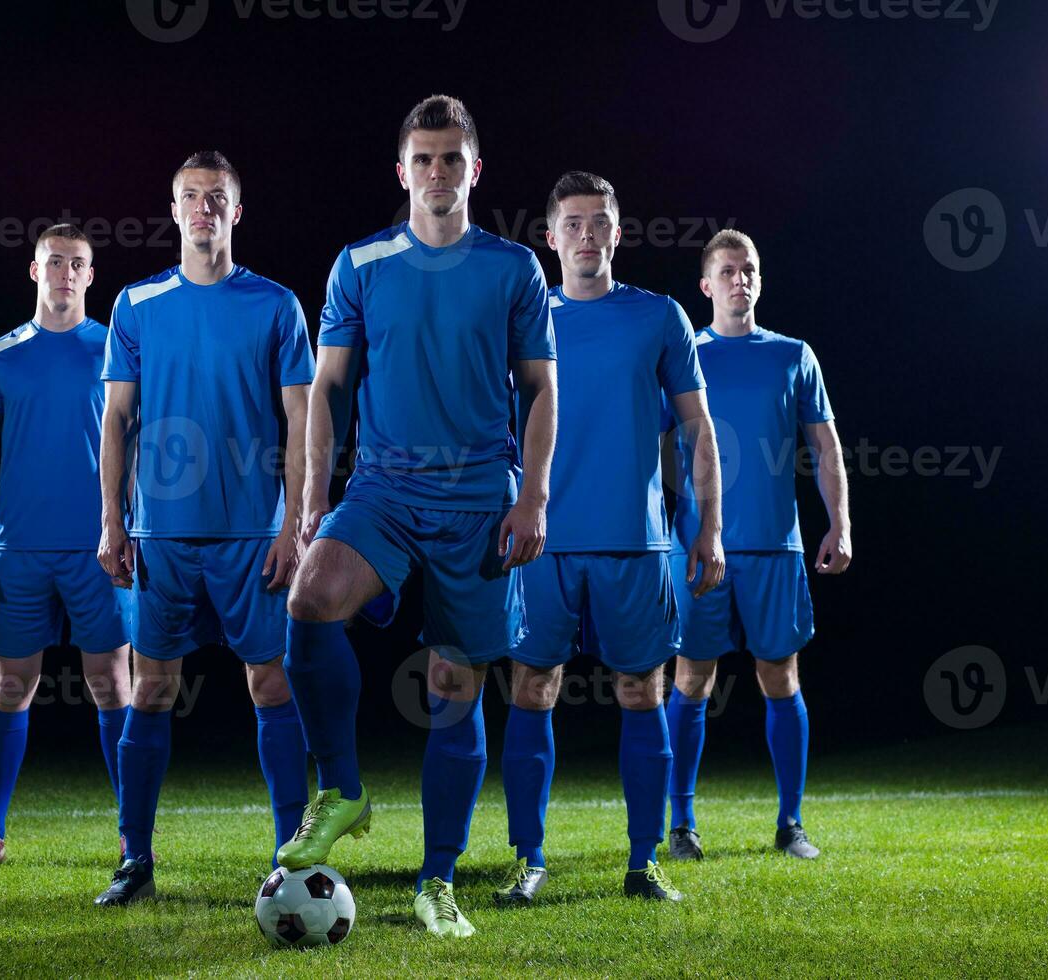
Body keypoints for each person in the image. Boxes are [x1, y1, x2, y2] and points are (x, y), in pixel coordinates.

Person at [277, 95, 558, 937]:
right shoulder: (359, 263)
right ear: (401, 172)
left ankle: (437, 880)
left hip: (478, 498)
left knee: (451, 687)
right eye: (423, 159)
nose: (437, 173)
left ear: (475, 170)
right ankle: (343, 789)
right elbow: (326, 388)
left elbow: (542, 391)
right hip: (384, 491)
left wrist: (532, 495)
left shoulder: (514, 269)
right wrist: (310, 497)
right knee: (308, 599)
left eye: (451, 159)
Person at [493, 172, 723, 905]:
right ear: (550, 236)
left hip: (635, 540)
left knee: (639, 689)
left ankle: (642, 860)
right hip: (541, 540)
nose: (586, 233)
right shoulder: (523, 320)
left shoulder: (658, 316)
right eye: (572, 222)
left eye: (599, 221)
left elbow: (696, 426)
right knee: (532, 688)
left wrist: (709, 527)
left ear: (617, 234)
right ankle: (528, 860)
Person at [94, 151, 315, 905]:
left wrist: (297, 525)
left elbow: (300, 422)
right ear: (174, 209)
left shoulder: (276, 305)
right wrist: (111, 522)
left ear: (235, 212)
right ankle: (135, 861)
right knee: (151, 692)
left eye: (215, 197)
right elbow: (116, 420)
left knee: (270, 683)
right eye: (189, 195)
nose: (202, 208)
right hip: (159, 534)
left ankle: (293, 859)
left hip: (255, 533)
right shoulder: (136, 303)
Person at [666, 229, 852, 862]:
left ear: (759, 280)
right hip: (697, 549)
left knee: (780, 676)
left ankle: (791, 823)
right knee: (691, 677)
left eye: (748, 269)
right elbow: (655, 446)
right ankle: (682, 825)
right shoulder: (683, 353)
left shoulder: (793, 355)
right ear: (706, 284)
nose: (739, 279)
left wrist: (840, 523)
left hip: (777, 547)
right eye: (727, 270)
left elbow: (826, 447)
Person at [0, 224, 130, 868]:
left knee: (112, 683)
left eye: (77, 264)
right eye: (54, 262)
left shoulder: (115, 349)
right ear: (34, 271)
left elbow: (138, 447)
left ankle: (132, 839)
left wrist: (133, 528)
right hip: (16, 546)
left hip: (99, 548)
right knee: (11, 685)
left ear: (90, 275)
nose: (65, 274)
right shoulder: (0, 356)